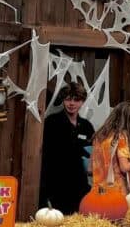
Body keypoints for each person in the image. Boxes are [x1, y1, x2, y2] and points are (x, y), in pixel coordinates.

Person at [39, 82, 94, 214]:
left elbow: (92, 154)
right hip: (56, 182)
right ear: (63, 100)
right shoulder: (52, 122)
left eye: (76, 100)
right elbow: (46, 154)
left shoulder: (86, 126)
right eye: (68, 99)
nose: (72, 103)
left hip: (79, 182)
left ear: (82, 102)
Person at [91, 102, 130, 195]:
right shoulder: (121, 137)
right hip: (115, 190)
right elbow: (124, 167)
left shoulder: (99, 136)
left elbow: (90, 168)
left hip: (99, 190)